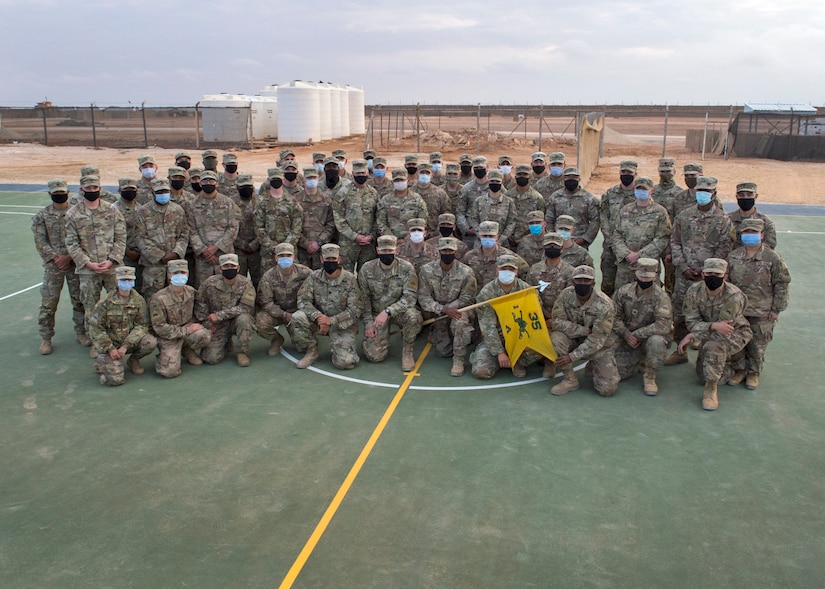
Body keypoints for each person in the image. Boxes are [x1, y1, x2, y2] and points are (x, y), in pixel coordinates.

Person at [667, 176, 733, 365]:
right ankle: (681, 352)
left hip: (709, 279)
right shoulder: (684, 216)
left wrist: (706, 270)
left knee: (708, 315)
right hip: (684, 275)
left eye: (707, 192)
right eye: (700, 191)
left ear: (714, 194)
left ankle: (706, 355)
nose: (702, 194)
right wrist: (682, 266)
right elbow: (675, 242)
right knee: (679, 313)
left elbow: (725, 246)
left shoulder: (723, 219)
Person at [677, 258, 752, 411]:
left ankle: (711, 389)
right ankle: (735, 367)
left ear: (725, 276)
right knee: (701, 375)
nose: (713, 277)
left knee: (714, 346)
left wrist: (694, 335)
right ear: (703, 275)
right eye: (709, 273)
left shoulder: (734, 296)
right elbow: (692, 322)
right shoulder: (694, 291)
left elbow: (724, 329)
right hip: (712, 331)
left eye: (718, 274)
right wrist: (706, 328)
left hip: (735, 333)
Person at [65, 174, 127, 355]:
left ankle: (119, 339)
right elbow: (71, 243)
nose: (92, 191)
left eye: (95, 188)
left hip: (112, 267)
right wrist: (88, 263)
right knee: (91, 308)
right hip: (88, 271)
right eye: (88, 188)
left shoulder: (112, 210)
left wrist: (112, 259)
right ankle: (96, 343)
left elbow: (121, 237)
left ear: (99, 189)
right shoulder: (73, 214)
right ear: (81, 190)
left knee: (119, 304)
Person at [726, 218, 790, 390]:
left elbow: (782, 284)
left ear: (761, 235)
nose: (750, 235)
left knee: (757, 344)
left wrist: (776, 309)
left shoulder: (772, 258)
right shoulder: (733, 256)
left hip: (762, 310)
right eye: (746, 232)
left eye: (754, 232)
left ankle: (753, 373)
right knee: (738, 342)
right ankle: (739, 370)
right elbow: (727, 284)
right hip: (739, 310)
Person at [32, 178, 87, 353]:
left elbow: (84, 238)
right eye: (56, 193)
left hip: (75, 264)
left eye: (62, 193)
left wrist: (69, 257)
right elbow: (40, 240)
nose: (59, 196)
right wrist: (56, 257)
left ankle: (81, 332)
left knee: (80, 301)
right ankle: (46, 338)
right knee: (49, 302)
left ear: (68, 192)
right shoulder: (42, 215)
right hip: (53, 266)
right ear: (50, 194)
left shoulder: (77, 213)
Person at [550, 265, 619, 396]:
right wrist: (585, 330)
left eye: (586, 280)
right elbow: (557, 322)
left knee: (607, 390)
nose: (582, 283)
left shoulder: (604, 304)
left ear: (593, 282)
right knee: (557, 338)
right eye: (578, 280)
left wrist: (571, 357)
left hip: (599, 346)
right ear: (572, 281)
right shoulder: (565, 295)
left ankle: (593, 365)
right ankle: (570, 380)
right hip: (573, 339)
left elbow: (598, 338)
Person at [471, 255, 542, 379]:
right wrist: (500, 352)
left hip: (519, 336)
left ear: (516, 271)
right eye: (504, 269)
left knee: (539, 348)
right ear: (497, 270)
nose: (507, 272)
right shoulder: (487, 293)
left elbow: (534, 316)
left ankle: (517, 362)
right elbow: (488, 326)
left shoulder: (526, 290)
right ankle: (499, 359)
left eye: (511, 269)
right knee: (481, 371)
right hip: (497, 336)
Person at [292, 244, 363, 370]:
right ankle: (311, 350)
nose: (330, 262)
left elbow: (355, 310)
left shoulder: (350, 279)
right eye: (327, 259)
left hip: (342, 325)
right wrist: (318, 316)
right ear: (321, 259)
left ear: (339, 260)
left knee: (346, 363)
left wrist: (331, 321)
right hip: (318, 321)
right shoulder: (314, 277)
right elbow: (303, 300)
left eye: (333, 259)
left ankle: (339, 347)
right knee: (298, 316)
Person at [358, 235, 422, 371]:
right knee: (374, 356)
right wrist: (369, 323)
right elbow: (363, 299)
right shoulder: (367, 269)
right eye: (383, 251)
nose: (387, 254)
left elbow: (410, 298)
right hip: (376, 315)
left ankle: (407, 352)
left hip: (398, 311)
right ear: (377, 250)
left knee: (413, 316)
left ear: (396, 250)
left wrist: (388, 311)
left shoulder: (406, 268)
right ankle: (380, 338)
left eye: (390, 251)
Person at [417, 237, 478, 376]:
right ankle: (437, 329)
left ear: (456, 252)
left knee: (459, 324)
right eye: (444, 250)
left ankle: (458, 360)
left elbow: (467, 297)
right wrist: (443, 309)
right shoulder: (426, 271)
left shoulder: (466, 272)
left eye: (450, 250)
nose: (447, 253)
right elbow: (423, 297)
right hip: (437, 312)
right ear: (438, 251)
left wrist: (451, 309)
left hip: (459, 310)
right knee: (442, 352)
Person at [611, 258, 672, 395]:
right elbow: (613, 317)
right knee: (611, 373)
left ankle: (650, 377)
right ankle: (637, 361)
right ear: (636, 273)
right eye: (641, 276)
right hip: (627, 339)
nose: (644, 280)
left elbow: (663, 324)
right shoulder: (623, 292)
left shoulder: (661, 297)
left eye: (648, 277)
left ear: (656, 276)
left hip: (648, 339)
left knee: (656, 341)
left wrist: (637, 334)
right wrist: (626, 334)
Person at [88, 265, 157, 386]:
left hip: (129, 342)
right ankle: (102, 362)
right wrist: (110, 348)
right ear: (116, 280)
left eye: (129, 280)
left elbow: (142, 325)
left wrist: (126, 346)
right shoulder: (105, 302)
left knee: (150, 342)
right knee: (116, 380)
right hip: (111, 344)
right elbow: (95, 328)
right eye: (123, 280)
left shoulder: (139, 300)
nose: (126, 282)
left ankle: (133, 360)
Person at [148, 259, 212, 378]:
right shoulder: (158, 298)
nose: (180, 276)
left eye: (183, 272)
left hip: (187, 330)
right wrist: (185, 331)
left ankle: (187, 349)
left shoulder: (192, 292)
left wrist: (200, 325)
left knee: (204, 335)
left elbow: (200, 313)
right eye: (175, 273)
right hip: (168, 336)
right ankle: (166, 357)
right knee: (170, 372)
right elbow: (159, 327)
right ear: (169, 275)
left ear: (188, 274)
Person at [195, 253, 256, 367]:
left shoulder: (245, 283)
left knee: (245, 320)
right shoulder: (209, 283)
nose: (229, 269)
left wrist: (219, 315)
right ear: (220, 268)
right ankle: (226, 343)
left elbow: (245, 307)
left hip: (235, 321)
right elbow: (201, 304)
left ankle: (241, 352)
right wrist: (207, 323)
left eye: (232, 266)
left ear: (238, 268)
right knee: (210, 358)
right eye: (226, 266)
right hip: (217, 325)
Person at [611, 176, 671, 290]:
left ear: (651, 190)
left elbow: (663, 238)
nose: (641, 192)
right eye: (638, 189)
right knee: (622, 298)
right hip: (625, 266)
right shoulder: (625, 210)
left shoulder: (660, 212)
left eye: (644, 189)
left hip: (648, 266)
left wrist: (639, 255)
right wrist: (626, 254)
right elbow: (616, 234)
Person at [528, 232, 575, 378]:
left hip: (560, 319)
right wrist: (539, 316)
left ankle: (550, 361)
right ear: (543, 248)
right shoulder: (534, 269)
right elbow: (529, 296)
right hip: (538, 317)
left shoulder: (570, 272)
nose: (552, 248)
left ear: (562, 249)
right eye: (548, 245)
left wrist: (554, 320)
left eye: (555, 246)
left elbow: (570, 302)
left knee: (556, 340)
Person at [135, 178, 189, 300]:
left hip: (175, 265)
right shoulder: (143, 212)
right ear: (152, 193)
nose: (163, 194)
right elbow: (140, 237)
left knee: (176, 298)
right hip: (153, 266)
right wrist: (160, 256)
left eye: (165, 191)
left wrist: (176, 252)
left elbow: (184, 234)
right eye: (159, 192)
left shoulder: (178, 210)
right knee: (152, 298)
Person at [255, 243, 313, 356]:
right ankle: (276, 339)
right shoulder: (268, 277)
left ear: (294, 257)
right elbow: (266, 302)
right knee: (260, 322)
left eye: (288, 255)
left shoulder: (305, 272)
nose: (285, 258)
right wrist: (284, 315)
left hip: (299, 313)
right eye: (281, 255)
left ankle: (307, 336)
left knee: (302, 348)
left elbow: (315, 293)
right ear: (276, 258)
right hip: (278, 313)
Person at [187, 170, 239, 287]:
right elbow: (191, 230)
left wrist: (216, 247)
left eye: (211, 180)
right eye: (205, 180)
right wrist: (204, 251)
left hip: (224, 256)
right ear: (200, 183)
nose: (208, 182)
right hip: (203, 257)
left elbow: (233, 227)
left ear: (217, 183)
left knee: (227, 287)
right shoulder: (193, 204)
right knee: (204, 288)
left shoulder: (228, 203)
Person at [254, 167, 303, 274]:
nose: (276, 181)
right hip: (269, 254)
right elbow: (258, 227)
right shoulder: (261, 202)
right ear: (268, 180)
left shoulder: (292, 201)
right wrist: (271, 246)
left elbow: (296, 228)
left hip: (289, 252)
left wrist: (285, 246)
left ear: (283, 179)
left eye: (278, 179)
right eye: (273, 179)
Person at [599, 160, 638, 296]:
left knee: (628, 287)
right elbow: (603, 217)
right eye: (623, 172)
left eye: (629, 173)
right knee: (608, 284)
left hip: (631, 250)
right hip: (611, 248)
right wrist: (612, 242)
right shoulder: (610, 194)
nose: (626, 175)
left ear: (636, 174)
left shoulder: (639, 194)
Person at [333, 160, 378, 272]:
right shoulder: (343, 193)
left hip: (368, 244)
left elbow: (378, 217)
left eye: (363, 173)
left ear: (367, 173)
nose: (360, 176)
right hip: (348, 243)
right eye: (358, 174)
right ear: (353, 173)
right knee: (345, 275)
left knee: (366, 274)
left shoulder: (373, 193)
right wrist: (354, 236)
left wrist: (372, 236)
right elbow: (338, 217)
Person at [544, 166, 600, 250]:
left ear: (579, 179)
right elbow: (549, 219)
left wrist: (583, 239)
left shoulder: (589, 198)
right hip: (557, 244)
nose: (571, 179)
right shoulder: (555, 197)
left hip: (580, 245)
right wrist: (554, 238)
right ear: (563, 179)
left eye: (574, 177)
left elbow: (595, 221)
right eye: (568, 177)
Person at [462, 221, 530, 288]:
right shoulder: (469, 257)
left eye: (491, 236)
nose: (488, 238)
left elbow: (525, 273)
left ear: (497, 236)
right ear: (480, 236)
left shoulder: (509, 256)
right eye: (485, 236)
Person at [468, 169, 518, 247]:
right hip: (481, 243)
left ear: (502, 182)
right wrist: (482, 236)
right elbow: (473, 220)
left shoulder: (509, 202)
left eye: (497, 181)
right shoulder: (479, 201)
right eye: (492, 181)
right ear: (488, 181)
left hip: (502, 244)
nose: (494, 183)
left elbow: (511, 223)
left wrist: (500, 240)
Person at [375, 167, 428, 239]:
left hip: (411, 241)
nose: (399, 182)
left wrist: (407, 239)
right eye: (397, 180)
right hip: (391, 243)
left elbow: (422, 221)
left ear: (408, 180)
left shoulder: (417, 199)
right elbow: (381, 222)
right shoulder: (385, 200)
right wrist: (393, 239)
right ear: (392, 182)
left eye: (402, 180)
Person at [727, 182, 777, 249]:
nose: (745, 198)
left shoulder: (766, 223)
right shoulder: (726, 220)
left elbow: (768, 249)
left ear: (756, 196)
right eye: (741, 195)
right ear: (737, 197)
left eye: (749, 195)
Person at [232, 174, 261, 287]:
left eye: (249, 186)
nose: (246, 189)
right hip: (238, 250)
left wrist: (254, 244)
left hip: (257, 250)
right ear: (237, 187)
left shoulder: (260, 201)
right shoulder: (230, 203)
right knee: (239, 282)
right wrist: (242, 245)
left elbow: (267, 225)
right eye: (243, 186)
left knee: (259, 281)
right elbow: (228, 228)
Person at [507, 165, 545, 247]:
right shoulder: (507, 196)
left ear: (530, 176)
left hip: (528, 243)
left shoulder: (537, 198)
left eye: (525, 174)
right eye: (519, 174)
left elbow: (541, 221)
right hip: (509, 240)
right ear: (515, 176)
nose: (522, 177)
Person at [456, 156, 490, 240]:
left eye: (481, 167)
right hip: (471, 235)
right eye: (476, 168)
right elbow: (460, 212)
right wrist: (466, 229)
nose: (479, 170)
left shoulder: (495, 186)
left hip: (490, 233)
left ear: (487, 168)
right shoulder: (466, 188)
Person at [413, 162, 451, 237]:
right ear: (417, 174)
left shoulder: (440, 193)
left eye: (427, 173)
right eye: (422, 172)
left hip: (434, 234)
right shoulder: (410, 193)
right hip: (414, 234)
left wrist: (436, 232)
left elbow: (447, 214)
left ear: (432, 174)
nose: (424, 175)